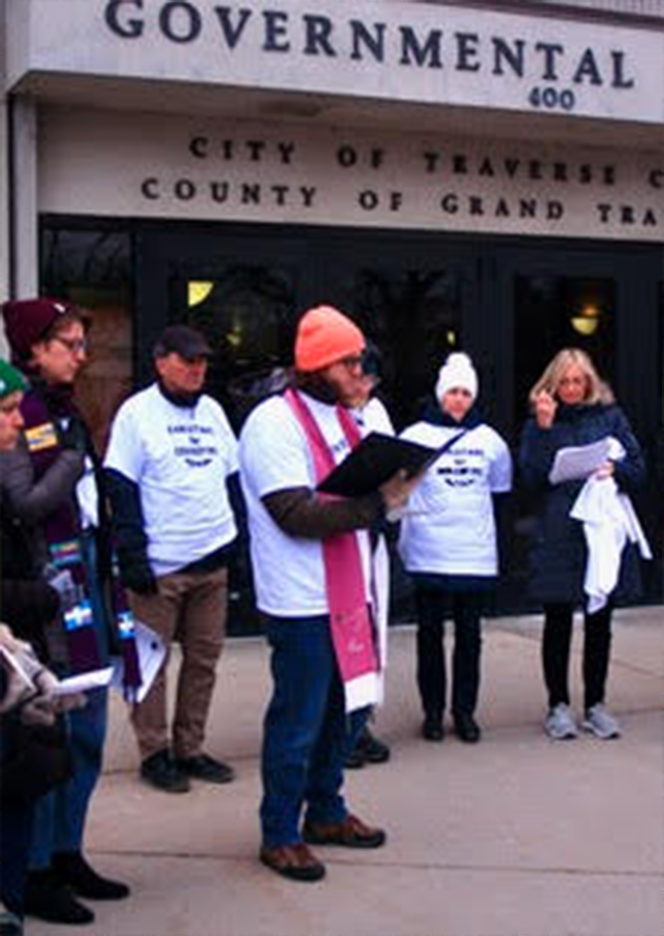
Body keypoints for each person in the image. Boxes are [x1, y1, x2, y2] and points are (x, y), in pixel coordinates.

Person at [239, 305, 418, 883]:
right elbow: (294, 514)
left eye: (360, 358)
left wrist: (400, 482)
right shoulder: (272, 423)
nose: (359, 370)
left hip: (350, 590)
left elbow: (356, 486)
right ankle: (279, 832)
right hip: (301, 599)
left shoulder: (347, 418)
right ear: (317, 365)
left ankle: (326, 810)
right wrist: (376, 505)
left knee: (349, 711)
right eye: (348, 361)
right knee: (298, 720)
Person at [0, 299, 130, 927]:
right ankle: (35, 870)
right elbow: (22, 501)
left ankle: (67, 851)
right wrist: (74, 458)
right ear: (34, 351)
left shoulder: (64, 409)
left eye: (82, 343)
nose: (82, 356)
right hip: (46, 597)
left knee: (88, 733)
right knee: (50, 737)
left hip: (85, 580)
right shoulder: (19, 413)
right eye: (69, 345)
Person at [105, 325, 239, 793]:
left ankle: (190, 748)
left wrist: (236, 542)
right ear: (161, 362)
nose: (197, 369)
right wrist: (132, 554)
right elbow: (120, 485)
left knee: (203, 661)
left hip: (212, 559)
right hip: (161, 564)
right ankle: (154, 752)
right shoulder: (136, 413)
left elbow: (231, 477)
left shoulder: (213, 411)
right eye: (187, 360)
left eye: (202, 361)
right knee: (150, 666)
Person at [519, 348, 648, 741]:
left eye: (578, 381)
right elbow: (531, 477)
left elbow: (639, 469)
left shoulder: (610, 416)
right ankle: (557, 705)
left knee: (599, 620)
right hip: (559, 528)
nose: (572, 388)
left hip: (601, 530)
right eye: (564, 382)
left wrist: (615, 469)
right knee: (557, 619)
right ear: (553, 384)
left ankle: (596, 704)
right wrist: (544, 429)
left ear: (589, 382)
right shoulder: (540, 420)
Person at [398, 352, 512, 743]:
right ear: (440, 394)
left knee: (470, 637)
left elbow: (498, 493)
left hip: (472, 553)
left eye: (465, 393)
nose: (458, 400)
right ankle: (432, 713)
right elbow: (398, 489)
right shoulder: (414, 436)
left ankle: (464, 712)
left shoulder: (491, 441)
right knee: (429, 635)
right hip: (428, 549)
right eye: (452, 392)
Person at [344, 342, 392, 769]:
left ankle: (361, 721)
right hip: (337, 534)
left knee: (371, 629)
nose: (364, 386)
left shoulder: (376, 413)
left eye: (370, 380)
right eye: (359, 377)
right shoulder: (325, 414)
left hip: (371, 532)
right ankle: (338, 728)